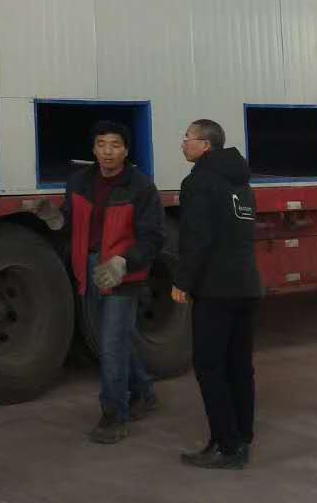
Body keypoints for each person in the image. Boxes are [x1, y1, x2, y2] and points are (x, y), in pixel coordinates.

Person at [61, 120, 164, 444]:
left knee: (111, 345)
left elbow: (152, 237)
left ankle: (114, 415)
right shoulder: (79, 182)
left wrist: (123, 262)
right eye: (102, 144)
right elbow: (70, 222)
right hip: (89, 270)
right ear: (93, 149)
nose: (108, 152)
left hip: (122, 274)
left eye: (115, 145)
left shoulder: (141, 187)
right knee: (114, 339)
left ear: (126, 150)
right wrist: (54, 218)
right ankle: (144, 392)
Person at [173, 119, 263, 470]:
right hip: (247, 286)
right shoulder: (241, 182)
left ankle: (227, 447)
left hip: (216, 290)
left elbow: (196, 238)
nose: (183, 143)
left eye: (188, 138)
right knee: (239, 365)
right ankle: (241, 437)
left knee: (210, 367)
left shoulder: (199, 182)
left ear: (205, 146)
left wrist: (182, 281)